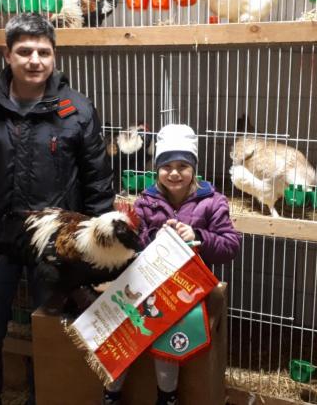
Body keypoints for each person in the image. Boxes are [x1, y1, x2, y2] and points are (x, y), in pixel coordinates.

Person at [0, 12, 114, 405]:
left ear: (55, 56)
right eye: (24, 51)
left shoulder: (77, 110)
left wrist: (96, 254)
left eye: (43, 51)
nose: (34, 60)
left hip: (56, 251)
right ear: (7, 55)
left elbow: (98, 186)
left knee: (53, 340)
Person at [102, 124, 242, 405]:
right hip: (146, 282)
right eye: (166, 166)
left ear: (194, 168)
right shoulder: (146, 200)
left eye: (182, 165)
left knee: (165, 331)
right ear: (157, 169)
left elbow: (230, 245)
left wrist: (197, 236)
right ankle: (111, 393)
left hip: (184, 288)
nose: (174, 172)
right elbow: (135, 241)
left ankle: (167, 396)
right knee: (120, 328)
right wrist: (153, 237)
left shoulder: (212, 202)